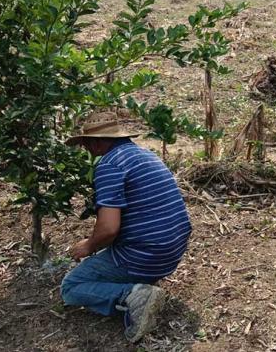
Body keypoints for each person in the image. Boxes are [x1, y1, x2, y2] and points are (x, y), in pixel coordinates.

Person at [60, 112, 192, 342]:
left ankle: (132, 296)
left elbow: (109, 229)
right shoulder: (144, 155)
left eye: (84, 143)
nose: (85, 149)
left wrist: (88, 246)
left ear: (96, 141)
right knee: (107, 258)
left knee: (72, 287)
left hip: (146, 256)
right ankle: (139, 287)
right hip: (171, 252)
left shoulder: (110, 165)